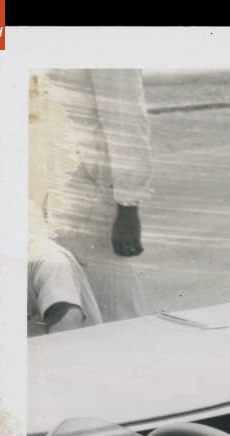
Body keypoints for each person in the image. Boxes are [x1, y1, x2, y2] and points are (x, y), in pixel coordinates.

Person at [40, 69, 153, 322]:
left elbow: (126, 119)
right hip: (33, 184)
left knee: (111, 308)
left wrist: (128, 205)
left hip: (81, 191)